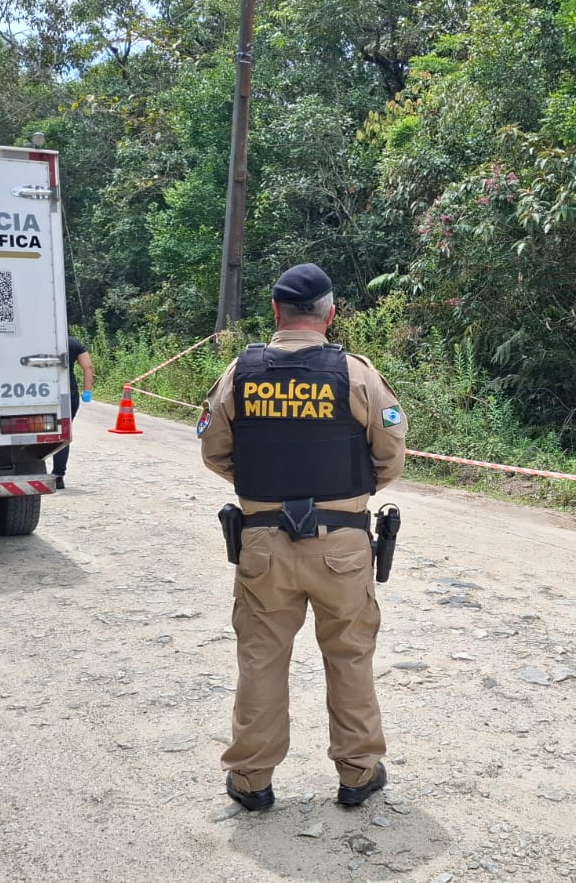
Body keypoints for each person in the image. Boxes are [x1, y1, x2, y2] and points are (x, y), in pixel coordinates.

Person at [198, 263, 408, 812]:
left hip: (263, 545)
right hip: (343, 545)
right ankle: (358, 772)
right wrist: (350, 494)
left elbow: (215, 452)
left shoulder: (240, 374)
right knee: (350, 656)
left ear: (275, 311)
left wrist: (263, 491)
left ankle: (251, 781)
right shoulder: (357, 375)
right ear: (330, 314)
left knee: (261, 660)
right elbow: (390, 455)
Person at [52, 334, 93, 488]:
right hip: (68, 394)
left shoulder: (38, 339)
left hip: (40, 393)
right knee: (63, 434)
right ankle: (58, 475)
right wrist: (87, 391)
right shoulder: (72, 343)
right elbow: (88, 366)